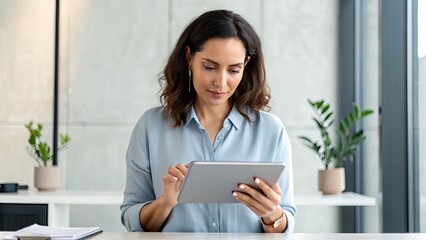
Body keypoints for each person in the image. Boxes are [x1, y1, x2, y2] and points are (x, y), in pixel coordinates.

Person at [120, 9, 296, 236]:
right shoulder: (151, 127)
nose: (221, 82)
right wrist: (166, 202)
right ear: (189, 58)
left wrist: (272, 215)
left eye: (234, 70)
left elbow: (287, 220)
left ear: (246, 65)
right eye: (210, 67)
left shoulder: (271, 131)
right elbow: (131, 219)